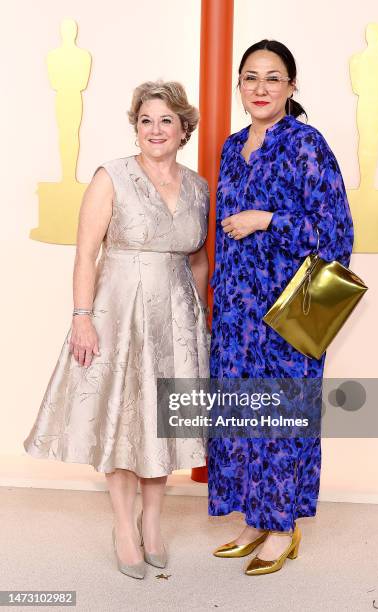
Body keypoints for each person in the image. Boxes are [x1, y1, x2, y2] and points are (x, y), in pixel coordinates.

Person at [24, 81, 210, 579]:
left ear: (183, 129)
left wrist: (200, 323)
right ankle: (122, 527)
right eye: (146, 120)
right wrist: (81, 317)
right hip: (119, 314)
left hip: (177, 321)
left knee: (162, 424)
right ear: (136, 126)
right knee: (123, 420)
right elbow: (86, 252)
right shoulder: (112, 177)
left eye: (166, 120)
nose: (155, 129)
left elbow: (198, 260)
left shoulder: (198, 186)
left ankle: (152, 523)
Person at [207, 40, 354, 576]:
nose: (261, 88)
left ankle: (284, 526)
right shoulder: (230, 145)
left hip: (290, 306)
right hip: (236, 308)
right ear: (239, 86)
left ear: (292, 87)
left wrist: (266, 218)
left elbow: (336, 233)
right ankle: (255, 517)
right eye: (250, 77)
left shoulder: (306, 145)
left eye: (273, 78)